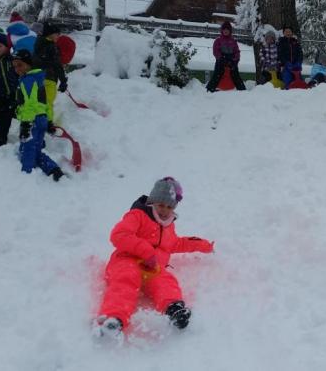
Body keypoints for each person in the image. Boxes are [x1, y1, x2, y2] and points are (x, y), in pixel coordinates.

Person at [94, 177, 215, 341]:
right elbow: (119, 235)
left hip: (153, 268)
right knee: (126, 280)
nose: (164, 210)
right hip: (127, 261)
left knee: (166, 280)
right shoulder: (138, 216)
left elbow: (177, 243)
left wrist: (204, 245)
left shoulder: (168, 225)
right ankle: (113, 318)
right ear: (152, 201)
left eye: (169, 206)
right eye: (161, 205)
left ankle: (174, 309)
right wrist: (146, 252)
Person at [11, 49, 64, 181]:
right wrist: (49, 121)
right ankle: (53, 169)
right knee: (36, 150)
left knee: (27, 149)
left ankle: (26, 176)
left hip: (32, 121)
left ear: (29, 65)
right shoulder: (38, 79)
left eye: (20, 65)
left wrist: (26, 125)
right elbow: (45, 103)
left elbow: (30, 104)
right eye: (15, 66)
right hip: (41, 119)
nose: (17, 69)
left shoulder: (28, 80)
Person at [33, 21, 68, 128]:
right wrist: (63, 81)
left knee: (39, 101)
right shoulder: (52, 47)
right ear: (51, 34)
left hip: (37, 78)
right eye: (57, 34)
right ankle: (47, 123)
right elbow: (57, 65)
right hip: (49, 78)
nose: (58, 36)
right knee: (48, 103)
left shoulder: (37, 44)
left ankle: (37, 121)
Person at [206, 21, 246, 92]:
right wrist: (220, 58)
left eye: (227, 30)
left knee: (235, 73)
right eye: (224, 29)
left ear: (230, 31)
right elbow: (215, 51)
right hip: (221, 59)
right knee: (218, 72)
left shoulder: (233, 41)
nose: (226, 31)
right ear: (222, 30)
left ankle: (242, 89)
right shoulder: (218, 40)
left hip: (231, 59)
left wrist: (236, 60)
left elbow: (237, 51)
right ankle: (210, 88)